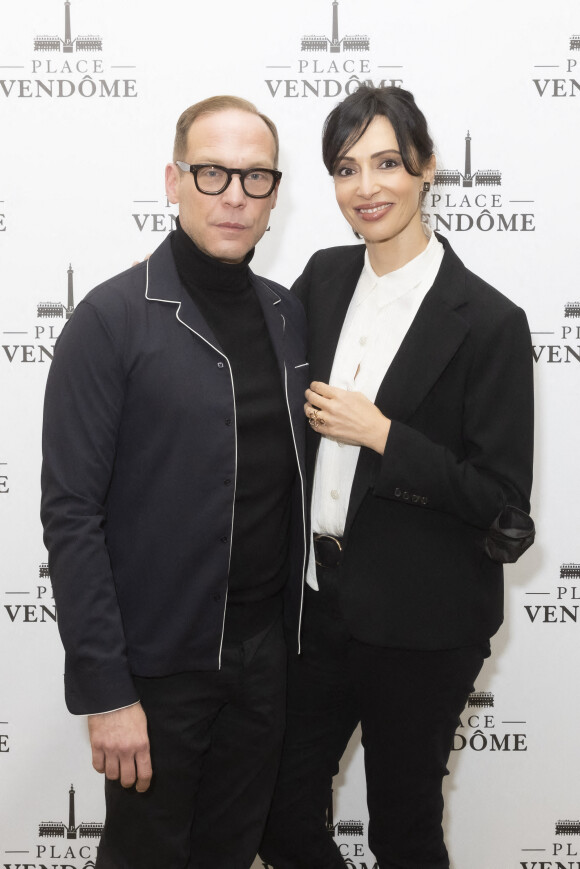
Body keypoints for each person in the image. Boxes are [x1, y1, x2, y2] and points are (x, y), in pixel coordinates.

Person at [260, 85, 535, 869]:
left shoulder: (488, 321)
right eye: (347, 169)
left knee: (404, 834)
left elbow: (500, 502)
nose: (367, 187)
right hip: (315, 607)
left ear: (426, 168)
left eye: (386, 163)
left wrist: (384, 435)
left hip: (424, 619)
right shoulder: (323, 277)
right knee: (277, 813)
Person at [40, 95, 308, 869]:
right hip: (157, 670)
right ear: (174, 179)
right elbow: (71, 514)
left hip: (264, 661)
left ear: (274, 194)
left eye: (255, 177)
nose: (234, 195)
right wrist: (107, 690)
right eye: (213, 172)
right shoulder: (110, 319)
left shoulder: (289, 317)